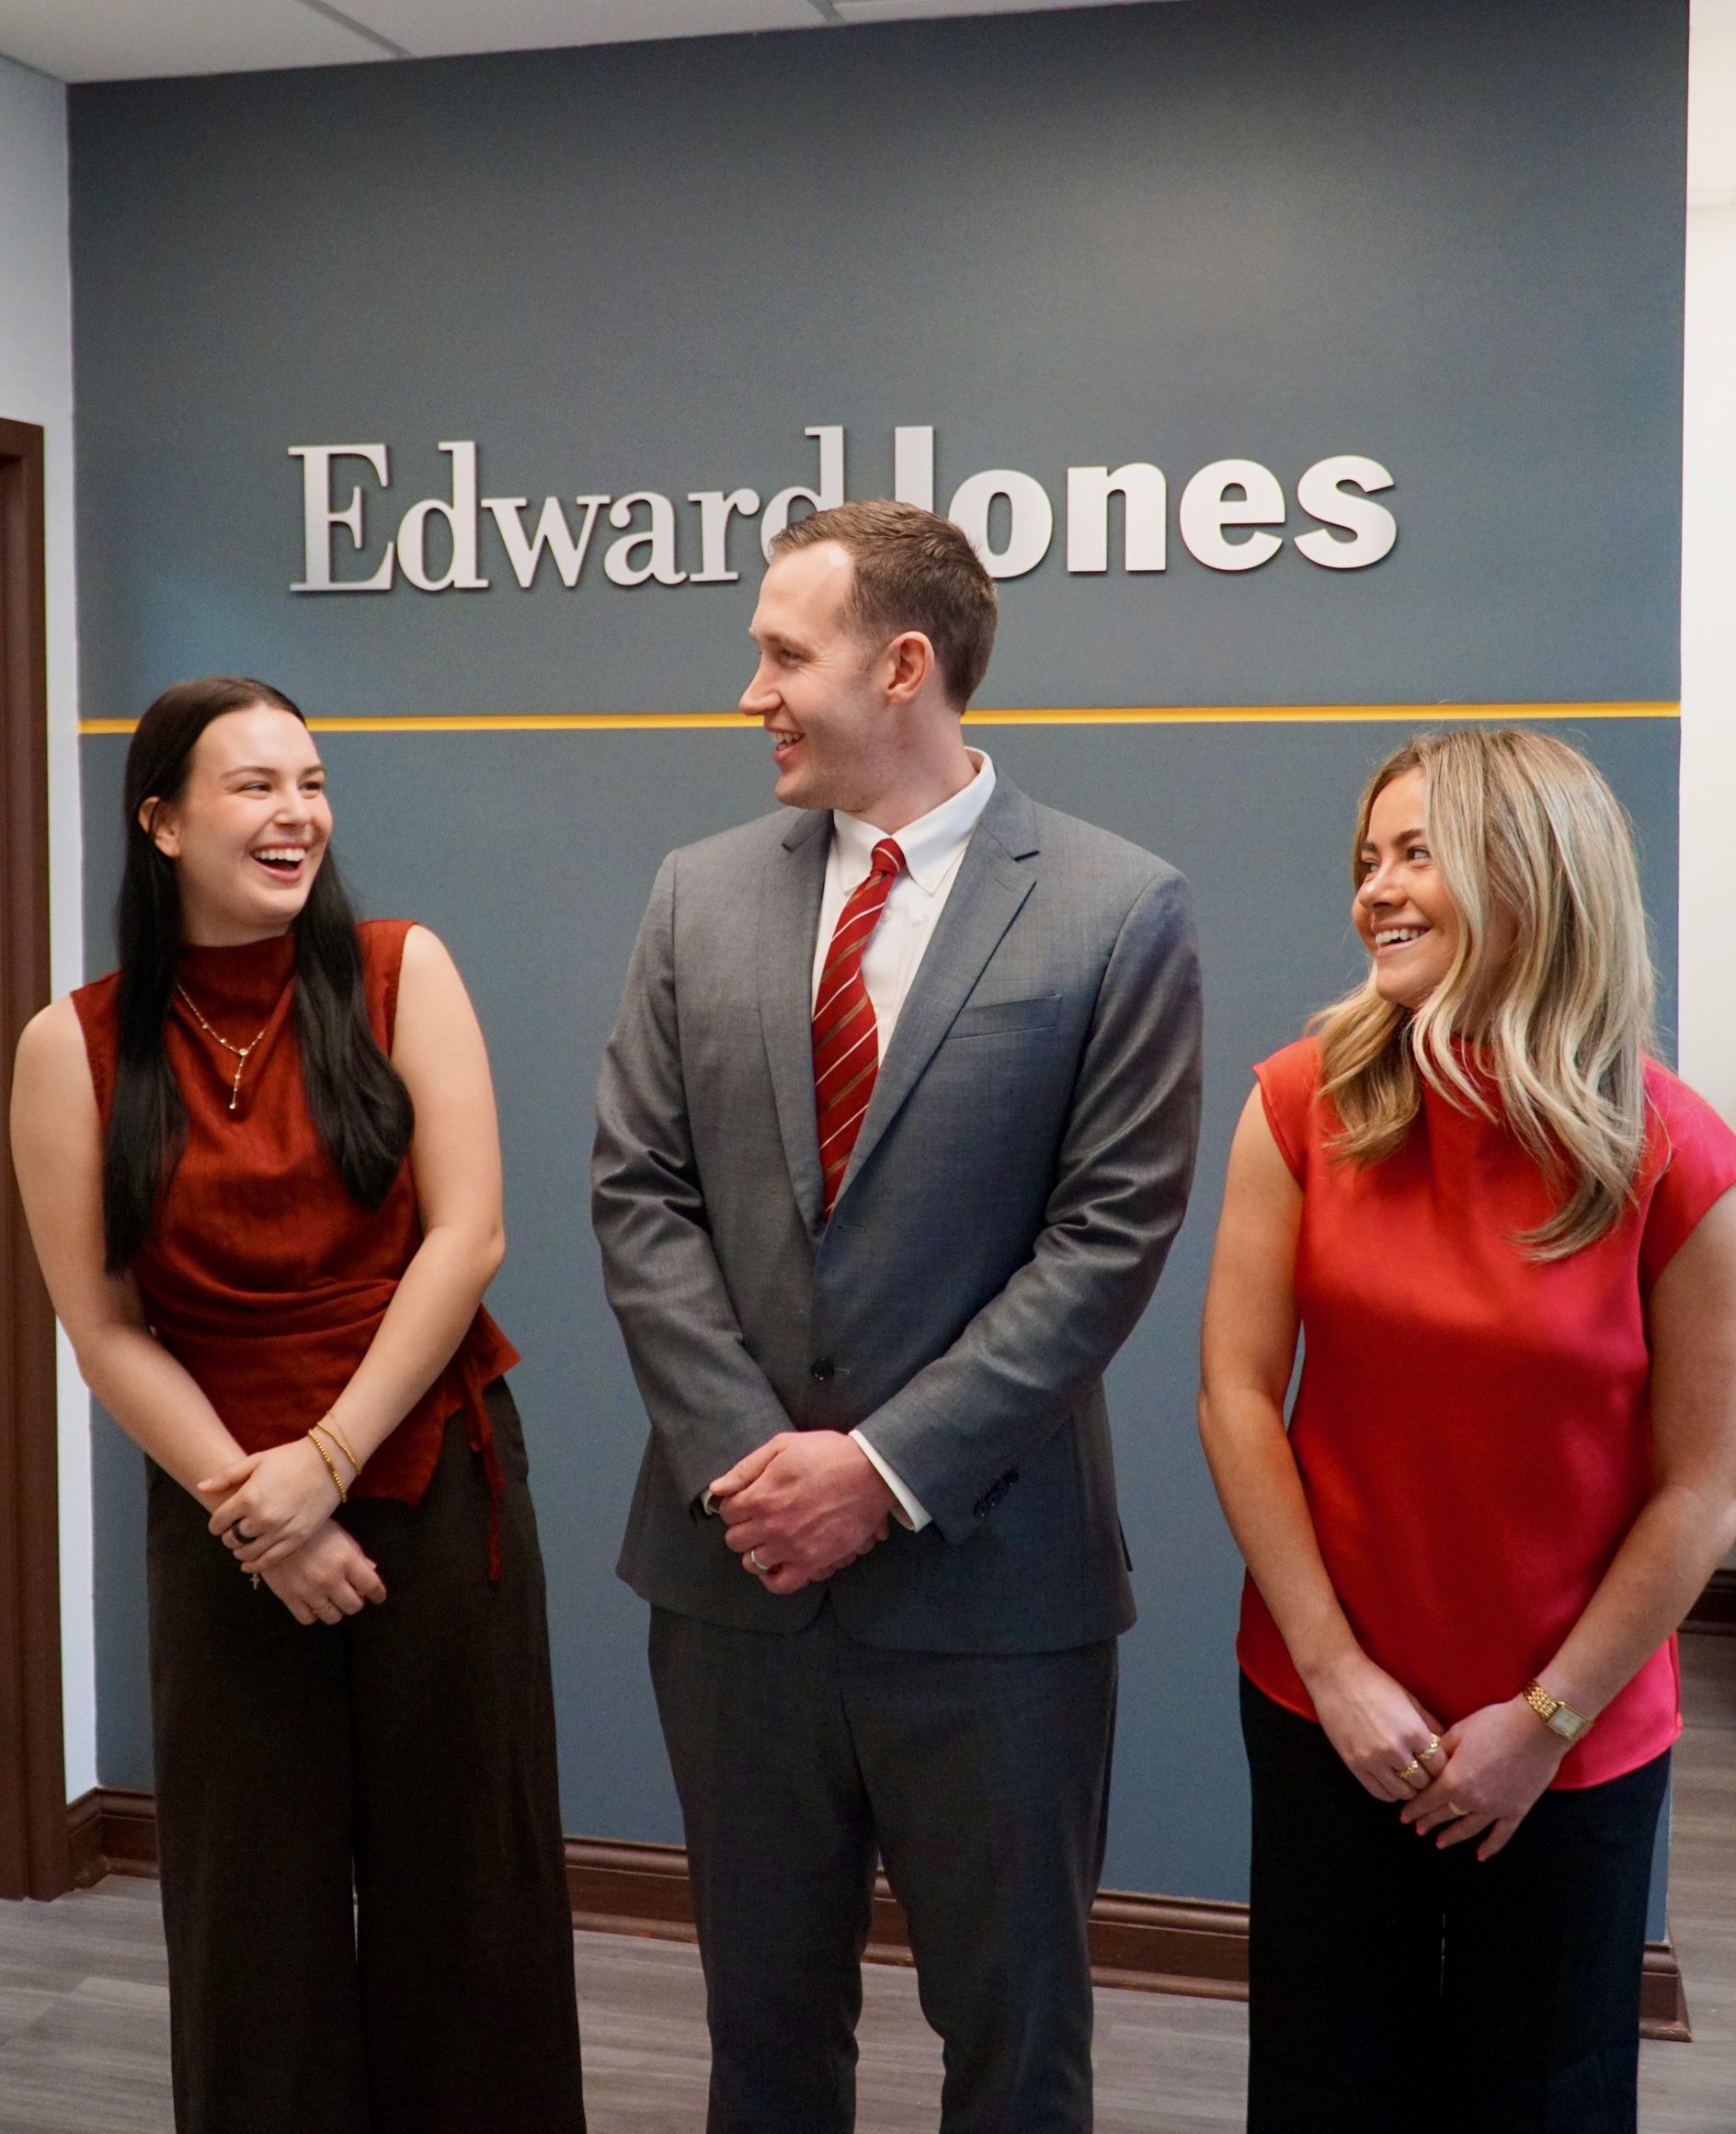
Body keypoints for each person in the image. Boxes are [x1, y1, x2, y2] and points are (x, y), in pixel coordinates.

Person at [593, 499, 1202, 2134]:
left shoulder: (1118, 907)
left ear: (903, 666)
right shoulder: (696, 893)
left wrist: (877, 1472)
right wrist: (758, 1467)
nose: (752, 694)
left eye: (783, 656)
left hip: (993, 1597)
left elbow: (1109, 1238)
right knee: (763, 2042)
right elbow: (640, 1194)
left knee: (1015, 2050)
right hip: (738, 1583)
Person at [10, 677, 586, 2134]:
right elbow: (105, 1326)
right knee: (249, 1916)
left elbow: (468, 1238)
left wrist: (327, 1462)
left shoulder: (401, 971)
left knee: (472, 1898)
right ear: (161, 821)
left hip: (433, 1485)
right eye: (256, 786)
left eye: (312, 784)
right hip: (227, 1516)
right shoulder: (70, 1047)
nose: (297, 815)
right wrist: (261, 1513)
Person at [1198, 726, 1736, 2134]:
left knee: (1544, 2098)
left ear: (1532, 874)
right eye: (1367, 859)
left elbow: (1703, 1487)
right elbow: (1237, 1396)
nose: (1374, 889)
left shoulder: (1677, 1153)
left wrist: (1545, 1723)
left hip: (1570, 1736)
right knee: (1324, 2088)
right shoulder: (1299, 1105)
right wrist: (1336, 1673)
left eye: (1417, 854)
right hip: (1330, 1710)